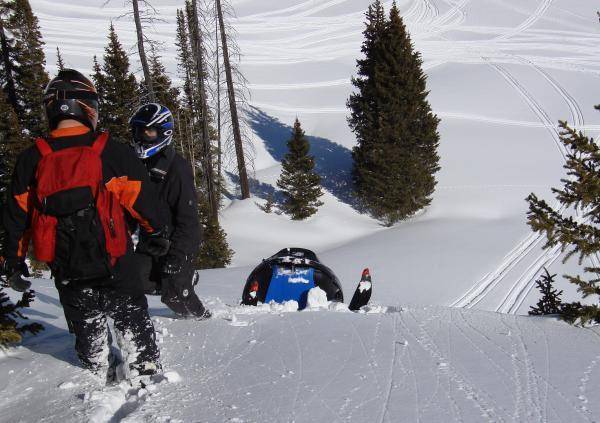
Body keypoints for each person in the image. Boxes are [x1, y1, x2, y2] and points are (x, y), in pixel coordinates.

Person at [0, 69, 170, 378]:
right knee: (133, 325)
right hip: (116, 260)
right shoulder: (110, 151)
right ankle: (144, 373)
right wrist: (156, 232)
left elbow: (16, 218)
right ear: (88, 107)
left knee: (88, 335)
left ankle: (96, 372)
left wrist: (13, 260)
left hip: (67, 268)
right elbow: (142, 200)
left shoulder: (31, 159)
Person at [129, 103, 210, 319]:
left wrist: (178, 255)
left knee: (174, 294)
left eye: (147, 132)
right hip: (152, 239)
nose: (141, 138)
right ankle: (173, 280)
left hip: (179, 239)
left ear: (163, 132)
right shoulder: (137, 164)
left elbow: (189, 221)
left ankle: (202, 318)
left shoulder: (177, 169)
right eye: (138, 132)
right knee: (133, 280)